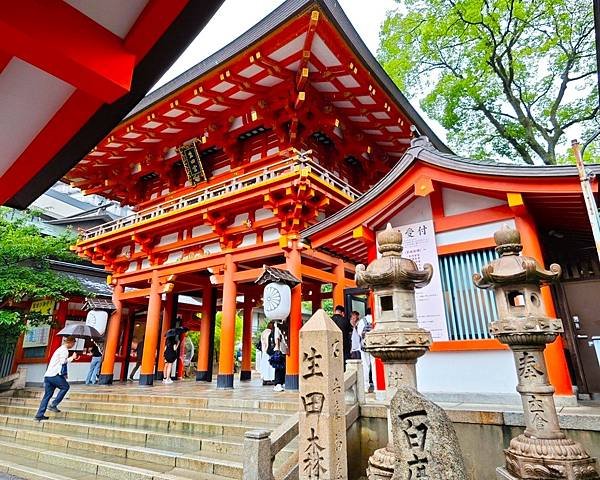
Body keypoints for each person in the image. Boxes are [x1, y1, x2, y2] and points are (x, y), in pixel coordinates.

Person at [35, 336, 78, 421]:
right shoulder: (64, 350)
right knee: (65, 387)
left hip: (48, 375)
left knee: (47, 396)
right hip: (54, 375)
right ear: (70, 342)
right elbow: (63, 362)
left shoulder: (59, 349)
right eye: (73, 343)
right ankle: (53, 404)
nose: (73, 345)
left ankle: (39, 414)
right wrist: (72, 358)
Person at [358, 307, 377, 393]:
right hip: (374, 345)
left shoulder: (362, 321)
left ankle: (366, 386)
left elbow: (359, 334)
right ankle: (377, 386)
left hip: (364, 346)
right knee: (374, 366)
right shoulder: (376, 320)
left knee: (365, 366)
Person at [272, 322, 288, 392]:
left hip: (287, 349)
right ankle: (278, 383)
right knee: (279, 367)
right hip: (281, 349)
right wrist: (278, 349)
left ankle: (282, 382)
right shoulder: (277, 325)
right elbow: (277, 338)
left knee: (284, 368)